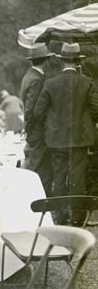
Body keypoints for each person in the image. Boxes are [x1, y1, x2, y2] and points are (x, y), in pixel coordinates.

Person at [34, 43, 98, 223]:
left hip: (56, 139)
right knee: (78, 177)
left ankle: (60, 217)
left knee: (59, 176)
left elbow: (38, 113)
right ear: (78, 61)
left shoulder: (50, 83)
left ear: (61, 62)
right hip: (81, 138)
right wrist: (85, 122)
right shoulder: (87, 82)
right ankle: (77, 218)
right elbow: (96, 109)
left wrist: (52, 124)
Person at [20, 43, 53, 194]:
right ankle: (39, 204)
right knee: (42, 171)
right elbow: (31, 110)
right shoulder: (37, 79)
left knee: (36, 168)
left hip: (34, 131)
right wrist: (31, 131)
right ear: (45, 60)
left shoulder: (28, 76)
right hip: (38, 132)